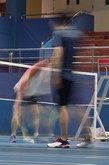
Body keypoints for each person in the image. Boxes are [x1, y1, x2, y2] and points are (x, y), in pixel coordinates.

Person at [47, 17, 92, 148]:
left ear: (55, 22)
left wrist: (56, 74)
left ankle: (64, 139)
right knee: (78, 106)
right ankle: (88, 136)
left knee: (62, 107)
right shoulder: (76, 34)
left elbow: (58, 54)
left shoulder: (58, 34)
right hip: (73, 74)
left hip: (63, 74)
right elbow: (83, 54)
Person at [10, 59, 54, 143]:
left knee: (36, 112)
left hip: (31, 93)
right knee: (16, 113)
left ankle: (36, 134)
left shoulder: (45, 73)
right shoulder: (34, 71)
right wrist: (17, 103)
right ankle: (13, 134)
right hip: (21, 90)